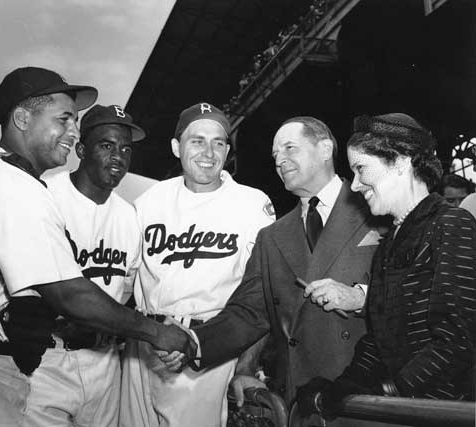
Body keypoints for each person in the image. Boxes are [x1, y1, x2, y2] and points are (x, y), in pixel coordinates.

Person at [0, 67, 195, 427]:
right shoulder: (10, 182)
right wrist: (157, 333)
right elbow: (68, 294)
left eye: (75, 122)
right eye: (63, 119)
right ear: (22, 119)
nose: (72, 131)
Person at [164, 116, 385, 415]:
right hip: (302, 401)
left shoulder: (378, 208)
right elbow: (249, 313)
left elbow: (415, 293)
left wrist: (361, 297)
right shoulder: (272, 237)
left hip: (369, 397)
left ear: (324, 149)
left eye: (290, 148)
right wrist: (193, 341)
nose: (280, 160)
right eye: (275, 155)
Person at [296, 113, 476, 422]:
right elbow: (380, 338)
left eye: (361, 169)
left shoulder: (451, 224)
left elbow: (459, 339)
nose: (355, 185)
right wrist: (345, 385)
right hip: (409, 412)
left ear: (401, 162)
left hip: (447, 413)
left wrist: (390, 390)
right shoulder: (390, 241)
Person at [119, 102, 276, 427]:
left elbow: (263, 297)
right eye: (197, 141)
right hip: (142, 347)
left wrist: (246, 367)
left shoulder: (252, 204)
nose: (209, 152)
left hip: (207, 351)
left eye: (218, 142)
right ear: (176, 147)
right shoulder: (149, 201)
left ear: (228, 151)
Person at [19, 104, 144, 426]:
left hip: (104, 363)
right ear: (81, 150)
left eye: (126, 149)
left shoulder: (129, 217)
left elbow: (126, 292)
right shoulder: (45, 195)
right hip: (47, 358)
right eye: (106, 146)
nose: (118, 157)